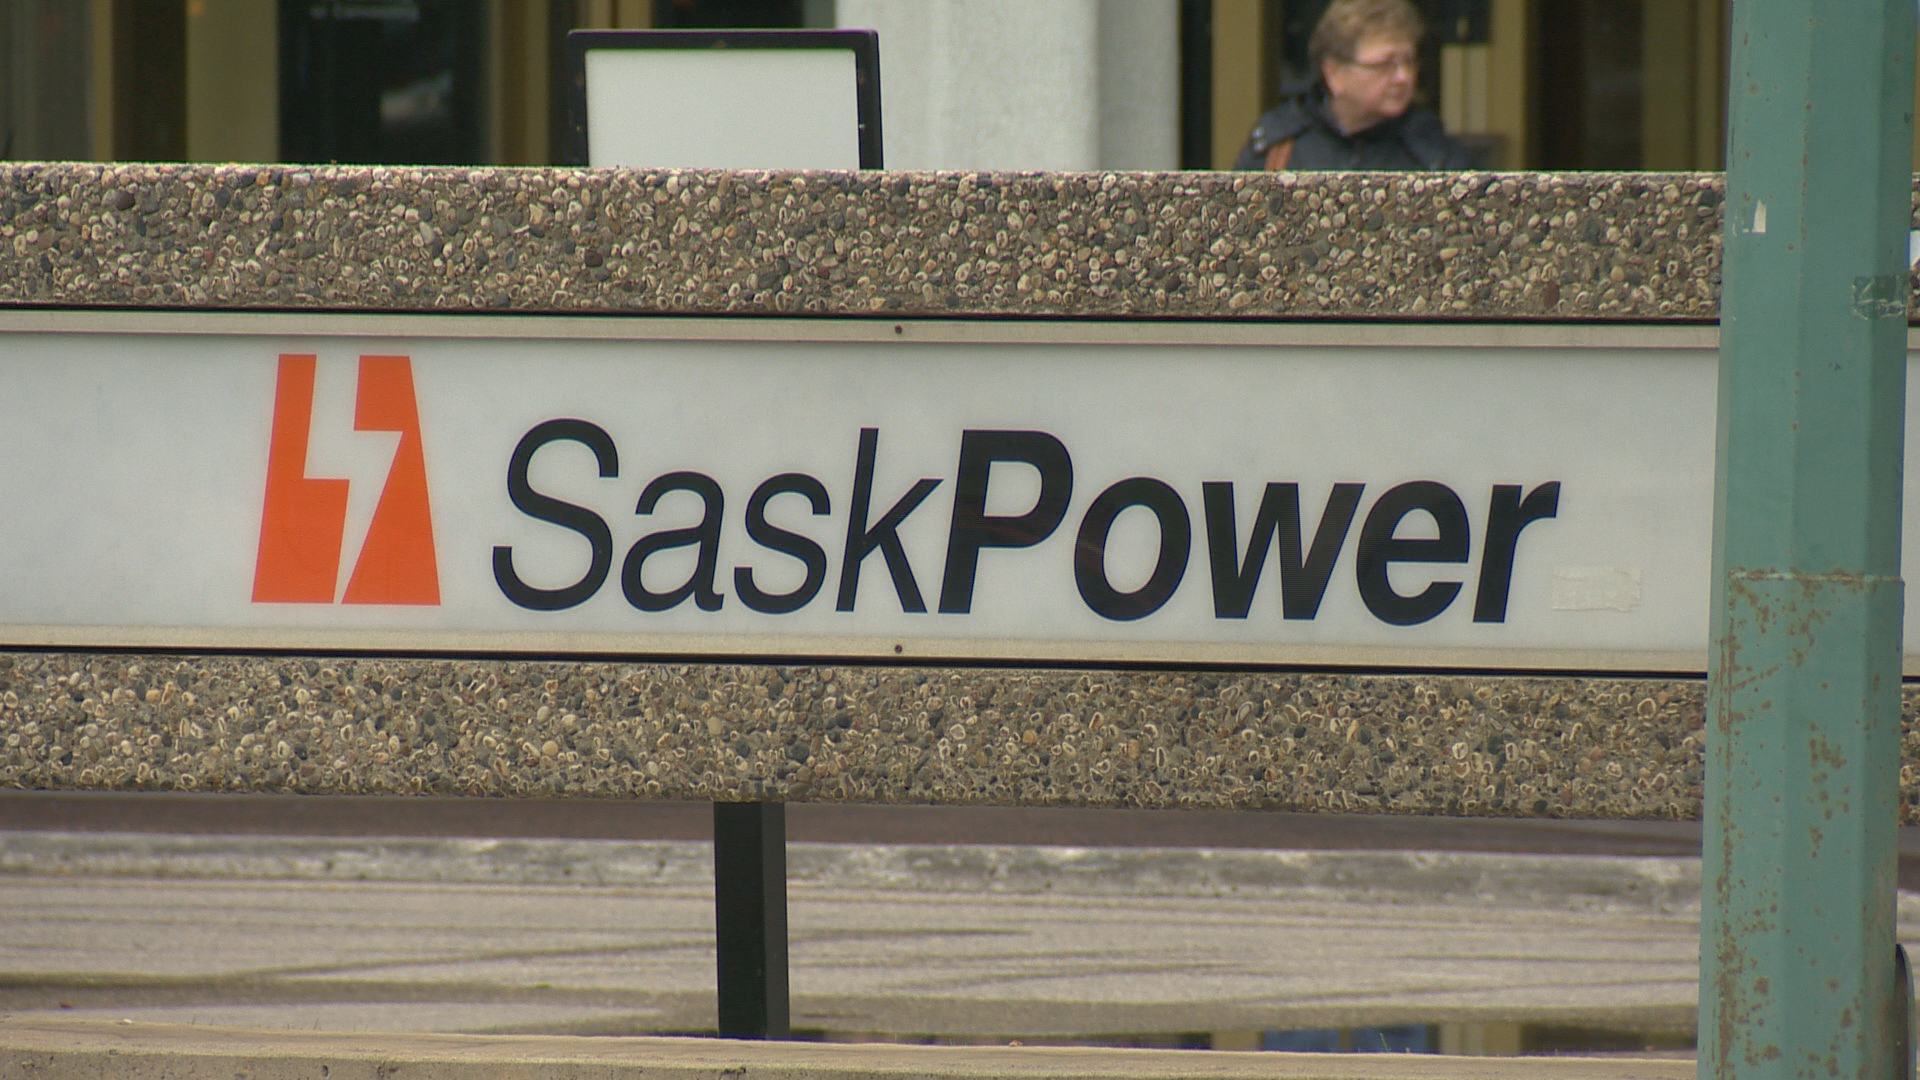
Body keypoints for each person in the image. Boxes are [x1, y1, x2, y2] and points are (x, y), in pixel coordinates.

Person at [1232, 0, 1473, 171]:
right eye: (1385, 64)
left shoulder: (1433, 152)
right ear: (1334, 72)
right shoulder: (1279, 144)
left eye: (1408, 62)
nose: (1404, 77)